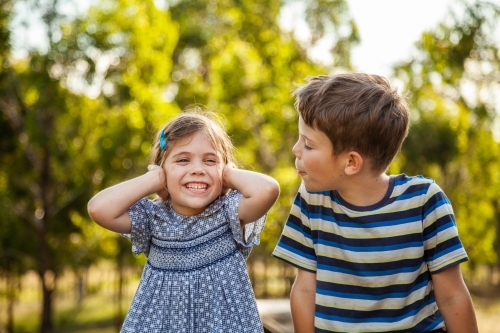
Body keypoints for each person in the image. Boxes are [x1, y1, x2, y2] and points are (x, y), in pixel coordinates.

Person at [272, 73, 478, 333]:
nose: (295, 149)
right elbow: (304, 289)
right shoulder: (311, 201)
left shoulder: (425, 202)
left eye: (308, 145)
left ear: (351, 163)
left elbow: (452, 296)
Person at [88, 109, 280, 332]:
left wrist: (228, 175)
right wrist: (152, 180)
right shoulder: (152, 218)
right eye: (183, 160)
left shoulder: (229, 212)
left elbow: (268, 190)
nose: (197, 169)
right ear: (163, 170)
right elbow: (98, 208)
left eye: (210, 160)